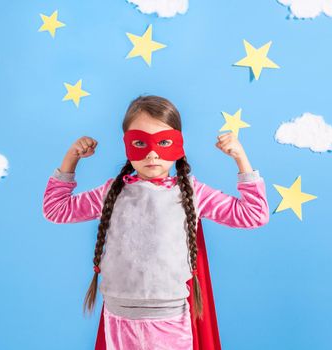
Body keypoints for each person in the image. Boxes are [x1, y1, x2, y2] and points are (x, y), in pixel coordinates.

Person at [42, 95, 270, 350]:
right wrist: (71, 159)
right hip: (119, 314)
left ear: (179, 144)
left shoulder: (194, 194)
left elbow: (254, 214)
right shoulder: (110, 193)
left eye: (163, 142)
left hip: (169, 317)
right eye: (140, 142)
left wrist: (240, 159)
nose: (151, 153)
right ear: (127, 145)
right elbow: (56, 209)